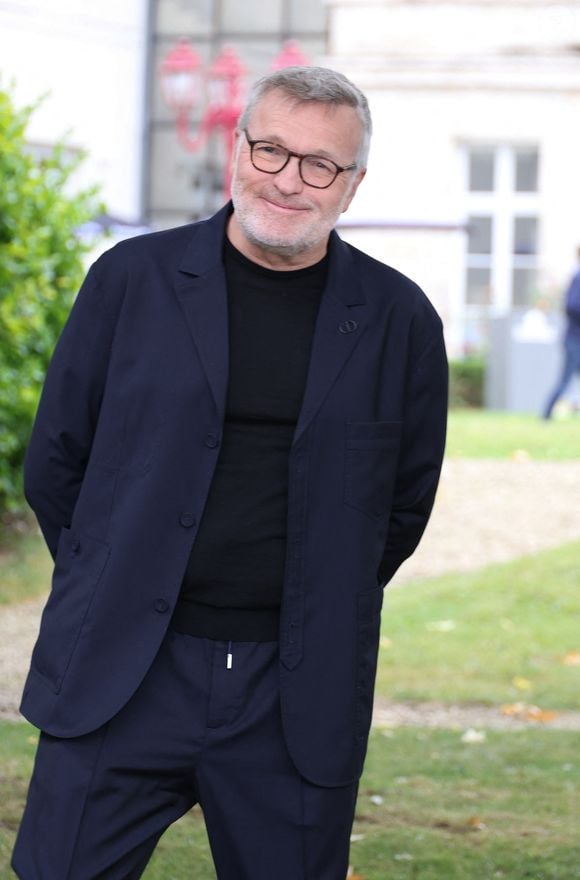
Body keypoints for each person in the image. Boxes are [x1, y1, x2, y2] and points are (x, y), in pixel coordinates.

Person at [12, 66, 448, 880]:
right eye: (272, 149)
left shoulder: (401, 320)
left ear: (352, 186)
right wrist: (113, 574)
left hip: (294, 694)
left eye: (321, 164)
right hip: (120, 669)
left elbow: (402, 507)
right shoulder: (129, 280)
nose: (289, 180)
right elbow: (57, 463)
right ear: (236, 149)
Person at [543, 246, 580, 419]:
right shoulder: (578, 276)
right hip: (575, 340)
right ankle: (546, 414)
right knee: (564, 381)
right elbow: (572, 306)